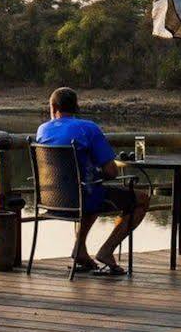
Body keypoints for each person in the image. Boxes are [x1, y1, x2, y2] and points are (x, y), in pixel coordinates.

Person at [33, 86, 152, 277]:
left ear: (53, 107)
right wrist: (95, 171)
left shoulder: (42, 130)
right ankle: (106, 250)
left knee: (90, 190)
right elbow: (111, 172)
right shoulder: (88, 128)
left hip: (52, 199)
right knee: (142, 199)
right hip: (83, 198)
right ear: (77, 107)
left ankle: (79, 250)